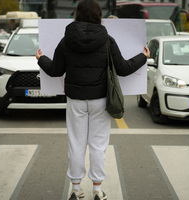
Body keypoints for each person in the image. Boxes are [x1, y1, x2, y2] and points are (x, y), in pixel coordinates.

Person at [36, 0, 150, 199]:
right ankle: (97, 189)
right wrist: (143, 56)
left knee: (76, 143)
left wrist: (40, 59)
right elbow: (123, 69)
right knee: (98, 145)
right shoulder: (107, 40)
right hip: (100, 99)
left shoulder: (67, 40)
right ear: (99, 16)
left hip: (75, 100)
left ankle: (76, 188)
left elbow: (55, 70)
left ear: (77, 14)